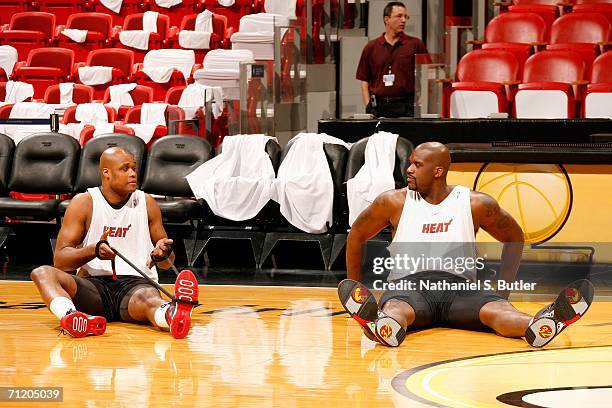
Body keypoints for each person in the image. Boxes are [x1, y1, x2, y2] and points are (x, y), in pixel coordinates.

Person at [338, 142, 593, 347]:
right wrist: (356, 290)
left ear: (438, 171)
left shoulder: (475, 203)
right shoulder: (393, 202)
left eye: (417, 164)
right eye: (410, 163)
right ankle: (383, 325)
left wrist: (502, 292)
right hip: (409, 287)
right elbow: (356, 235)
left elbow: (514, 238)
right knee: (396, 309)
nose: (409, 169)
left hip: (461, 288)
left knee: (500, 311)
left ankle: (538, 325)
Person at [31, 147, 199, 339]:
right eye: (125, 168)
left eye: (134, 168)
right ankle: (72, 317)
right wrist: (93, 251)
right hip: (93, 288)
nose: (132, 173)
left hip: (136, 286)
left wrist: (163, 253)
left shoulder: (147, 203)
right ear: (106, 173)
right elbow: (60, 261)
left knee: (149, 299)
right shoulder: (84, 203)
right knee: (42, 273)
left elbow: (166, 264)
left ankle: (171, 315)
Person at [356, 1, 428, 118]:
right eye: (399, 16)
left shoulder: (415, 44)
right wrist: (368, 106)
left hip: (406, 107)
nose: (403, 20)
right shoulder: (371, 47)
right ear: (386, 19)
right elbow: (364, 80)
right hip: (379, 108)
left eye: (405, 16)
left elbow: (426, 76)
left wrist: (421, 103)